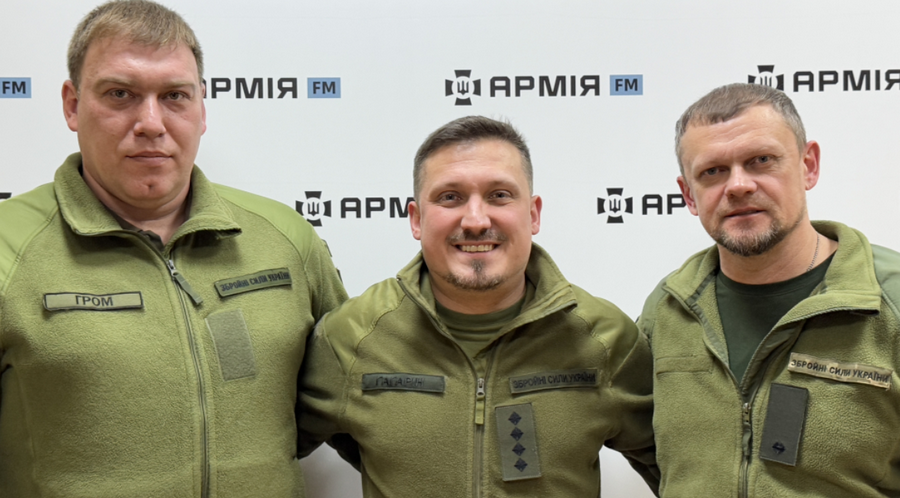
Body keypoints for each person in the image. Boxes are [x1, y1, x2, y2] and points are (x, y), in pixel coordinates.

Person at [0, 1, 347, 496]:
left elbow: (343, 397)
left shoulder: (284, 237)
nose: (150, 122)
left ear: (202, 108)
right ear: (72, 105)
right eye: (120, 94)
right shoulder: (8, 247)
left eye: (174, 96)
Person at [297, 115, 658, 497]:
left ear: (533, 214)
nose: (475, 220)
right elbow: (267, 453)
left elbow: (683, 470)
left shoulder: (605, 340)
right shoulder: (352, 337)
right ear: (416, 219)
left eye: (499, 195)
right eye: (450, 197)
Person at [639, 82, 900, 497]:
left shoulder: (890, 300)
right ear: (689, 194)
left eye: (761, 160)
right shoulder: (668, 310)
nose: (738, 185)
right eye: (713, 171)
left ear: (808, 165)